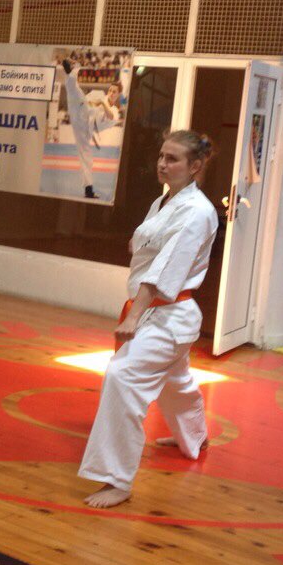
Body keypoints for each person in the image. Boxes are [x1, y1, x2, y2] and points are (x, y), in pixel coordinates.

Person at [78, 130, 218, 509]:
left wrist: (134, 317)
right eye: (161, 156)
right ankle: (195, 435)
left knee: (122, 377)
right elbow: (152, 245)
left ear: (195, 166)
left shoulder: (197, 211)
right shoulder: (165, 200)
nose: (162, 164)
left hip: (167, 315)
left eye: (172, 159)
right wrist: (137, 245)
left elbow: (165, 269)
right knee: (176, 381)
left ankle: (117, 479)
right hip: (166, 315)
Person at [61, 59, 98, 200]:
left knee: (87, 156)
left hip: (83, 121)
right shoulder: (70, 81)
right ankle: (88, 189)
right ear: (69, 67)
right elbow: (74, 70)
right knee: (85, 155)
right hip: (80, 123)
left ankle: (88, 188)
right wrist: (79, 64)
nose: (74, 64)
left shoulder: (73, 84)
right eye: (71, 63)